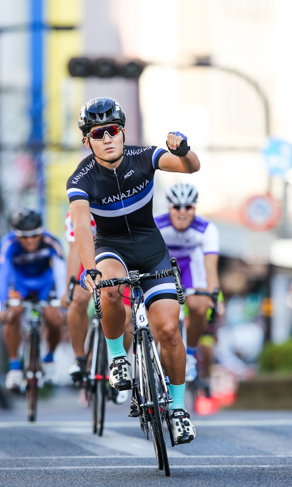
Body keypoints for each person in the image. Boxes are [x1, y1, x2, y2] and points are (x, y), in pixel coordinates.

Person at [67, 96, 200, 444]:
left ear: (123, 132)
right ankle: (117, 358)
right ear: (88, 141)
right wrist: (90, 268)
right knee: (109, 288)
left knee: (169, 330)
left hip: (151, 249)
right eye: (98, 134)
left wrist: (184, 149)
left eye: (113, 130)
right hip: (112, 248)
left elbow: (191, 167)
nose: (107, 138)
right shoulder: (81, 178)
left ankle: (178, 408)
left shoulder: (145, 157)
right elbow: (82, 226)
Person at [155, 182, 222, 382]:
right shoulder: (155, 224)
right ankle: (153, 361)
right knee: (159, 312)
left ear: (195, 208)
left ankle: (190, 354)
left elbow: (210, 267)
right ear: (169, 207)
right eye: (177, 207)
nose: (182, 212)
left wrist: (214, 295)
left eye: (188, 207)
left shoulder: (207, 229)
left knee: (200, 306)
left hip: (191, 266)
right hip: (162, 265)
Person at [63, 210, 133, 396]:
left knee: (126, 317)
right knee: (78, 300)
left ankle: (118, 362)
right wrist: (70, 287)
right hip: (88, 262)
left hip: (118, 263)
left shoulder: (120, 206)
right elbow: (73, 252)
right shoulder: (76, 213)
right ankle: (79, 358)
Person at [0, 208, 65, 392]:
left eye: (35, 235)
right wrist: (2, 304)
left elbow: (60, 272)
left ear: (41, 231)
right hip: (20, 285)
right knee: (12, 314)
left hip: (45, 284)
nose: (30, 241)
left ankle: (49, 359)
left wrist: (63, 299)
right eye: (24, 237)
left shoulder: (52, 241)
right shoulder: (8, 243)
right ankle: (14, 368)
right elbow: (3, 275)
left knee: (55, 319)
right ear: (15, 235)